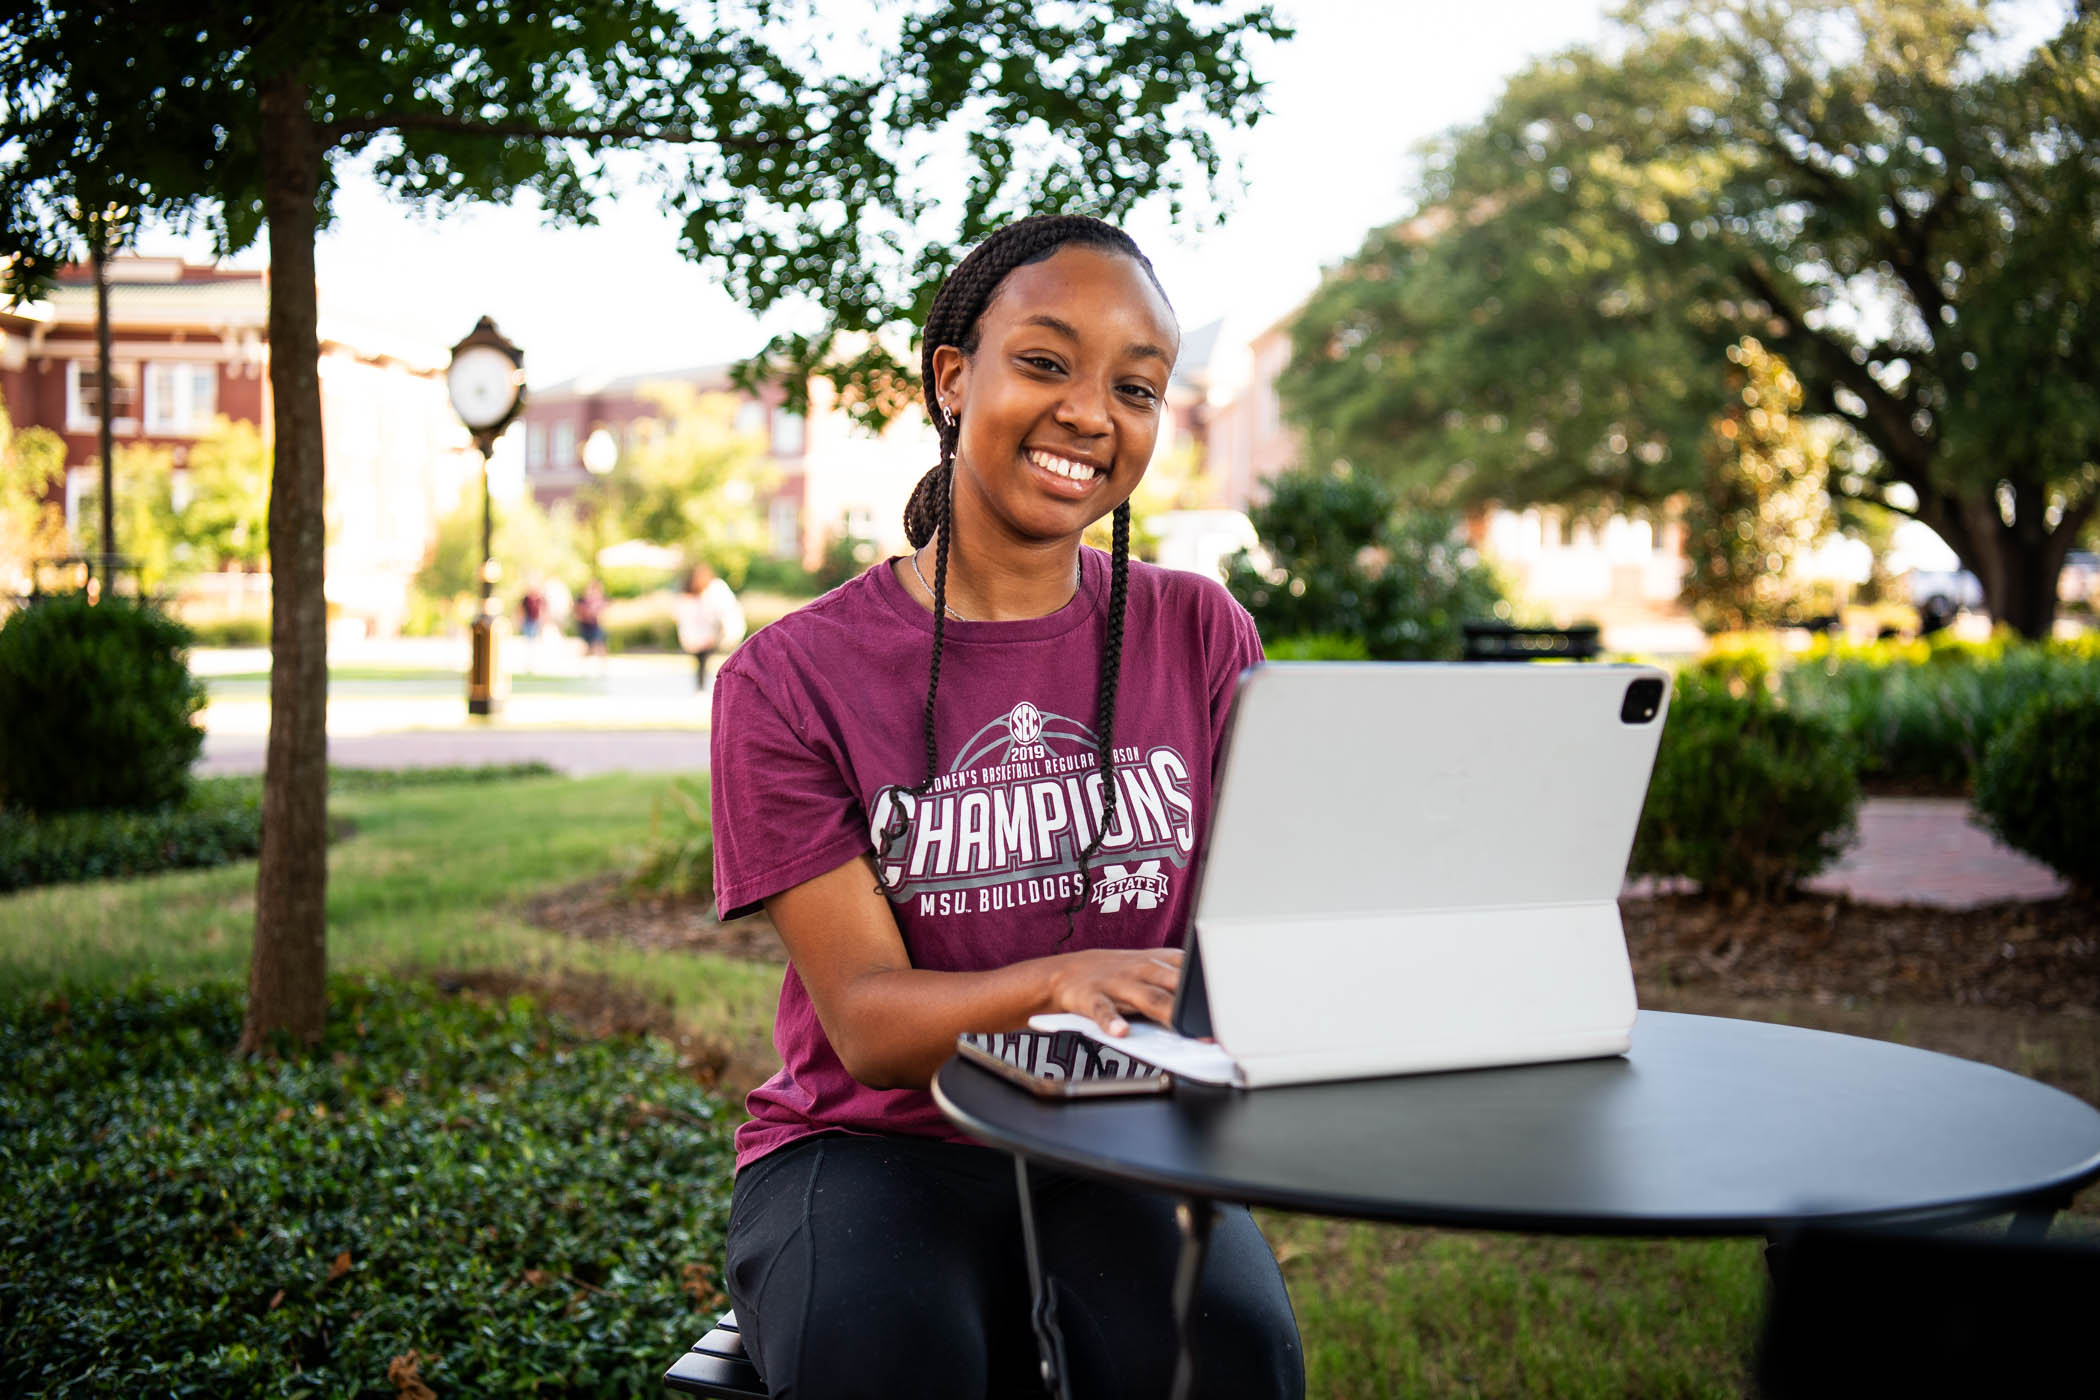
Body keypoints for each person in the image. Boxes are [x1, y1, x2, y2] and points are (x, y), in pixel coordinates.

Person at [708, 214, 1304, 1399]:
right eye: (1045, 361)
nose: (1092, 411)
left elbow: (1264, 918)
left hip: (1119, 1130)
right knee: (885, 1358)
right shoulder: (789, 676)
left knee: (1228, 1353)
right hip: (873, 1142)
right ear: (952, 375)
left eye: (1137, 386)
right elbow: (870, 1023)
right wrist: (1057, 976)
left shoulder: (1199, 630)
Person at [673, 562, 744, 695]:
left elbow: (722, 614)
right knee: (701, 660)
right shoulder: (690, 594)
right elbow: (685, 614)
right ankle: (702, 687)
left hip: (714, 631)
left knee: (711, 660)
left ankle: (715, 688)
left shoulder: (715, 589)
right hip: (699, 634)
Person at [573, 578, 609, 668]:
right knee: (587, 648)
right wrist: (586, 615)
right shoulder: (582, 599)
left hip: (595, 625)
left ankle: (603, 666)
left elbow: (603, 611)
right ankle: (582, 665)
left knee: (599, 644)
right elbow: (578, 614)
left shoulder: (600, 599)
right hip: (585, 626)